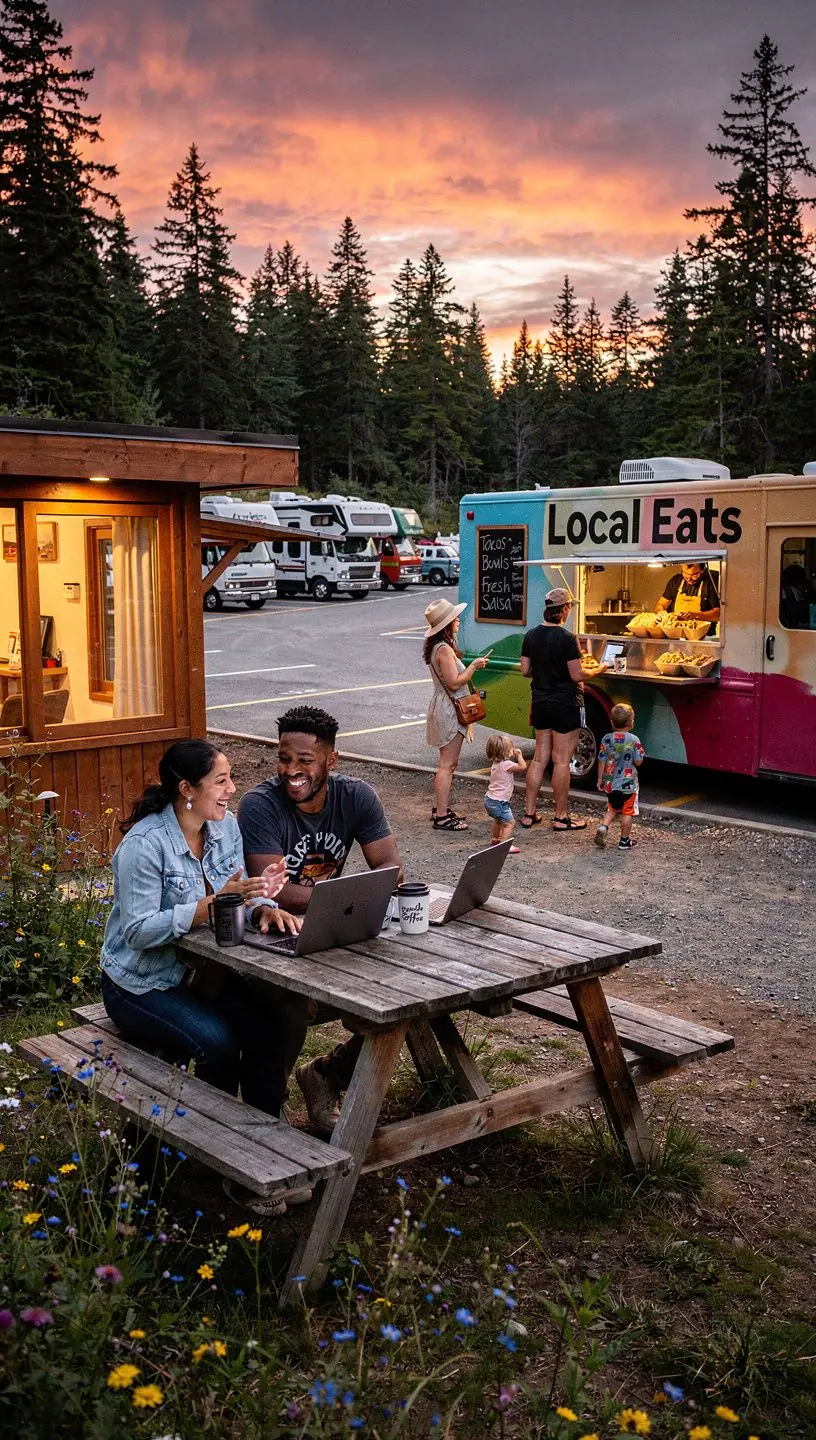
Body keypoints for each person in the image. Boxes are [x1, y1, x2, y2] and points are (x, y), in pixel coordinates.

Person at [100, 740, 304, 1213]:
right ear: (186, 789)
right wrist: (212, 905)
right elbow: (135, 932)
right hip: (139, 983)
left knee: (269, 1022)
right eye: (222, 780)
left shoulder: (224, 826)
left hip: (202, 975)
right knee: (214, 1041)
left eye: (231, 778)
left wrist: (264, 908)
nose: (233, 789)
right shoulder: (144, 846)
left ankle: (265, 1147)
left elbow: (238, 889)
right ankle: (222, 1157)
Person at [238, 705, 402, 1133]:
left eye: (305, 761)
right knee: (290, 1006)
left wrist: (343, 902)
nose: (291, 770)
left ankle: (328, 1074)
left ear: (331, 760)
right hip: (271, 938)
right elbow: (272, 890)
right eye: (284, 758)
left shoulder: (357, 796)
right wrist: (340, 898)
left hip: (329, 929)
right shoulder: (259, 805)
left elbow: (389, 869)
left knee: (406, 988)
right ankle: (265, 1112)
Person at [520, 587, 587, 832]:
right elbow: (576, 674)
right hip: (565, 703)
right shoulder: (568, 638)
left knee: (539, 758)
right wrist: (598, 671)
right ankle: (560, 817)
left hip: (540, 701)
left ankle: (529, 814)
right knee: (561, 761)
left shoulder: (531, 635)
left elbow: (525, 670)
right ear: (565, 609)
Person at [424, 597, 489, 832]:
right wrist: (473, 667)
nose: (458, 620)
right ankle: (441, 815)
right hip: (450, 709)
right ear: (447, 624)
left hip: (444, 706)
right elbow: (454, 683)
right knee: (447, 764)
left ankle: (441, 809)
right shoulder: (443, 649)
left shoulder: (439, 647)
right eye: (455, 618)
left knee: (448, 764)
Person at [594, 703, 645, 851]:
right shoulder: (634, 740)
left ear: (612, 722)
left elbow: (601, 760)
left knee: (612, 808)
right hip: (628, 784)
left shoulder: (606, 739)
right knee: (627, 812)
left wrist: (600, 779)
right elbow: (638, 761)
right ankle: (624, 841)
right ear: (631, 723)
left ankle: (604, 827)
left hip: (611, 783)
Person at [483, 734, 526, 854]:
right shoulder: (506, 764)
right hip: (499, 802)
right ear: (506, 752)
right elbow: (523, 767)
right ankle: (504, 844)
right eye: (511, 748)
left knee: (498, 820)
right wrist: (519, 755)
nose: (513, 749)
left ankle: (495, 838)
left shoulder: (495, 764)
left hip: (489, 799)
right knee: (509, 823)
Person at [654, 561, 720, 625]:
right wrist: (661, 612)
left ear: (702, 571)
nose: (689, 578)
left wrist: (696, 615)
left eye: (694, 574)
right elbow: (659, 605)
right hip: (677, 631)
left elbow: (718, 614)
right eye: (686, 573)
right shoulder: (675, 581)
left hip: (704, 634)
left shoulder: (711, 582)